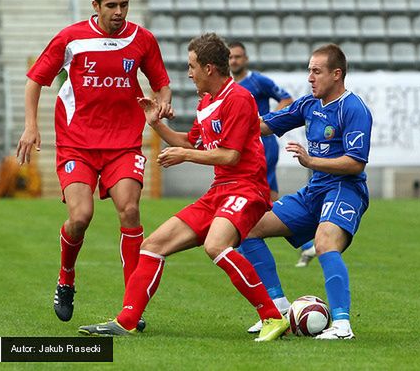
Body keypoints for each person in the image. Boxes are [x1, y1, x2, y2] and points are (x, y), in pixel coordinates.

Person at [78, 33, 289, 342]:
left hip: (246, 189)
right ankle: (127, 321)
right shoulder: (207, 102)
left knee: (215, 245)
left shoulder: (239, 98)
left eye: (192, 67)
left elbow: (230, 156)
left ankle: (272, 317)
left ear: (209, 69)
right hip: (220, 190)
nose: (189, 74)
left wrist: (186, 156)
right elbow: (189, 141)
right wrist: (155, 123)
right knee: (152, 245)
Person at [16, 0, 173, 327]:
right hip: (77, 143)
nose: (119, 12)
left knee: (130, 211)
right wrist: (30, 126)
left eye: (124, 5)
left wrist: (162, 103)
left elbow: (162, 84)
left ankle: (131, 308)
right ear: (96, 5)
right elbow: (34, 81)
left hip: (124, 142)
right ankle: (66, 278)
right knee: (80, 217)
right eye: (112, 5)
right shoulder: (71, 39)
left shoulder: (142, 40)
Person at [245, 43, 373, 340]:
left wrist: (311, 160)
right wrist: (221, 121)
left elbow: (355, 163)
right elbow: (263, 125)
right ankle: (276, 310)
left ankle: (342, 326)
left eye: (316, 71)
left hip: (345, 188)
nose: (310, 78)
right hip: (315, 190)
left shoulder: (354, 109)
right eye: (309, 71)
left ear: (336, 74)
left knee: (325, 242)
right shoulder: (308, 105)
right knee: (248, 228)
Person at [228, 41, 294, 333]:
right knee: (269, 199)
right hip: (241, 145)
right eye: (231, 56)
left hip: (261, 143)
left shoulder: (258, 81)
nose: (235, 60)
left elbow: (286, 99)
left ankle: (300, 242)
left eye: (239, 56)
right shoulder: (226, 85)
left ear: (246, 58)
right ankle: (303, 243)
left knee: (256, 204)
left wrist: (265, 119)